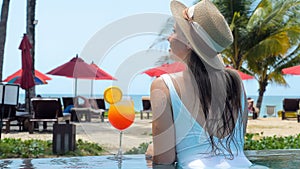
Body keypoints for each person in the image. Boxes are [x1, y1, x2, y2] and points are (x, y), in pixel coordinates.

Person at [147, 0, 258, 168]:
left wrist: (153, 150)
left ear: (190, 44)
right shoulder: (235, 81)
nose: (169, 38)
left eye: (174, 31)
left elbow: (164, 161)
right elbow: (236, 145)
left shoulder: (163, 86)